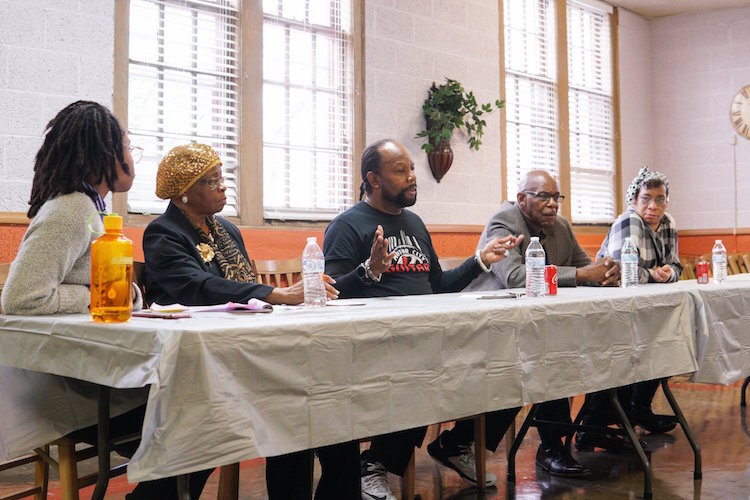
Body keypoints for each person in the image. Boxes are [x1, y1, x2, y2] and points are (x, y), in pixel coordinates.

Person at [0, 101, 209, 499]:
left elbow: (101, 287)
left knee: (203, 401)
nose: (133, 158)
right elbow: (21, 297)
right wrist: (103, 293)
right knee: (200, 411)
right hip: (69, 388)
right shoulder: (71, 209)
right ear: (104, 153)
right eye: (128, 147)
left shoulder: (91, 210)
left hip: (92, 373)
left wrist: (116, 292)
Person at [142, 143, 354, 500]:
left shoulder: (226, 231)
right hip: (198, 368)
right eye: (211, 182)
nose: (223, 187)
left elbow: (240, 289)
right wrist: (274, 294)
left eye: (222, 179)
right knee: (292, 403)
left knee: (311, 405)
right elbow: (198, 287)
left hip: (246, 350)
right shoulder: (163, 233)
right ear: (183, 194)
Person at [323, 139, 518, 500]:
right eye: (401, 170)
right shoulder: (347, 227)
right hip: (375, 346)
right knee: (421, 373)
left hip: (428, 334)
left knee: (509, 362)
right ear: (374, 179)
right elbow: (330, 293)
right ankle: (374, 464)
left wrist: (480, 261)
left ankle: (456, 444)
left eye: (412, 168)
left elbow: (437, 286)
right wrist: (369, 271)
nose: (413, 177)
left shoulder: (414, 223)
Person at [456, 169, 621, 478]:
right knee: (544, 359)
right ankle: (549, 447)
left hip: (535, 323)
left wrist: (606, 273)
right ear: (522, 199)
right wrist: (583, 276)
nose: (553, 204)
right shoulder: (503, 222)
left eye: (556, 197)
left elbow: (586, 267)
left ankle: (575, 434)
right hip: (486, 321)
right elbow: (516, 277)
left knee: (561, 352)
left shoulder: (561, 227)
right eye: (543, 196)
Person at [577, 166, 681, 438]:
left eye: (660, 199)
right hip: (611, 302)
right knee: (621, 354)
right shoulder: (629, 221)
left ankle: (639, 409)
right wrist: (654, 274)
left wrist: (669, 273)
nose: (653, 206)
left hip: (645, 303)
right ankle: (595, 424)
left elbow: (676, 266)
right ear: (634, 200)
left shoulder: (669, 224)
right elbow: (620, 271)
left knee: (665, 339)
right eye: (646, 198)